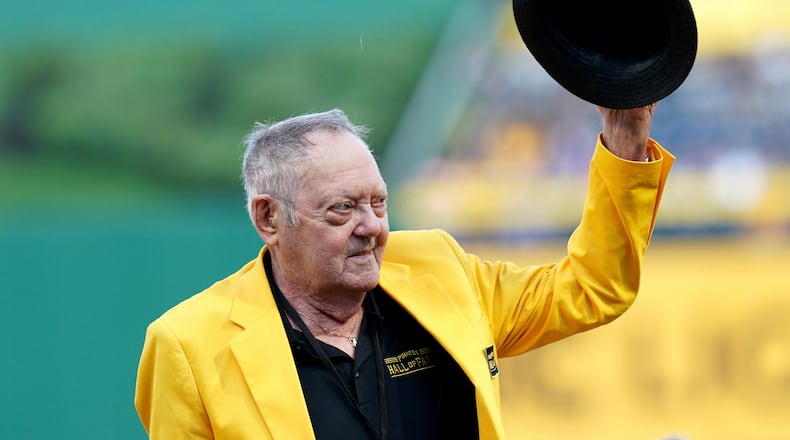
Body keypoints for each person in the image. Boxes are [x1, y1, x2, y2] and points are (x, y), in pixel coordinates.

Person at [134, 103, 673, 439]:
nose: (371, 227)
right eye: (342, 209)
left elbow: (593, 289)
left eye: (379, 203)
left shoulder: (439, 267)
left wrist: (625, 140)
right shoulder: (188, 345)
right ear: (269, 218)